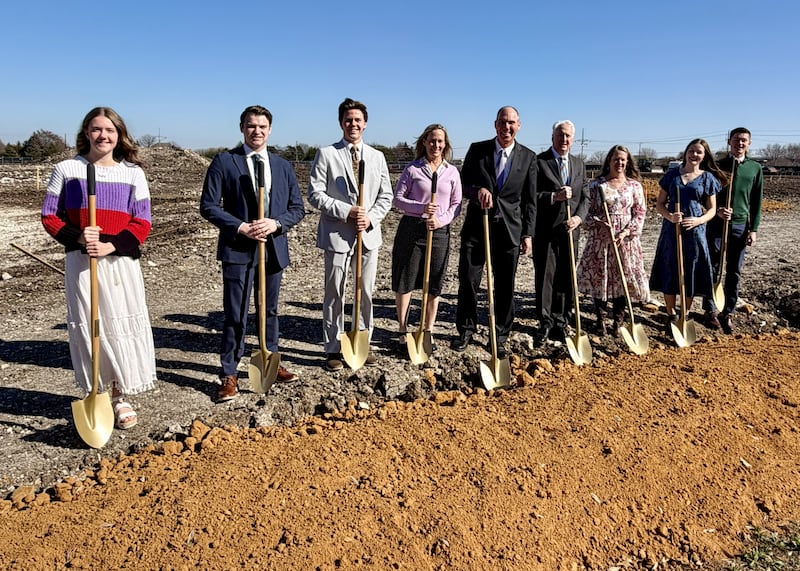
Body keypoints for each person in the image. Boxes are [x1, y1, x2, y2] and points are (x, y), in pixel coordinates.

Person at [41, 106, 156, 430]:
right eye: (96, 129)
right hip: (81, 262)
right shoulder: (66, 170)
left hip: (119, 264)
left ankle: (120, 395)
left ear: (119, 135)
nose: (103, 136)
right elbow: (50, 216)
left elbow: (142, 222)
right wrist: (78, 236)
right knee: (92, 328)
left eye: (109, 130)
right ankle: (97, 389)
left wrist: (111, 244)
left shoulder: (133, 173)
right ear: (86, 133)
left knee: (119, 327)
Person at [200, 105, 305, 401]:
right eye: (250, 126)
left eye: (261, 126)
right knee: (235, 313)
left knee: (269, 310)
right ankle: (230, 372)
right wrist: (242, 227)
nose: (256, 131)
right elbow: (209, 206)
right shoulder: (225, 161)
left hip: (272, 249)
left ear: (270, 130)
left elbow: (297, 209)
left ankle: (271, 358)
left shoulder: (282, 166)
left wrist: (276, 223)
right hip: (238, 249)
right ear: (242, 128)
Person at [308, 98, 393, 371]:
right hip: (337, 234)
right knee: (335, 291)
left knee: (364, 291)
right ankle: (333, 348)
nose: (353, 124)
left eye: (358, 120)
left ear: (365, 123)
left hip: (368, 235)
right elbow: (315, 194)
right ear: (341, 123)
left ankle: (361, 342)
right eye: (348, 119)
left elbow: (386, 196)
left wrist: (370, 217)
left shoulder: (377, 157)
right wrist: (347, 211)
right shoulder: (327, 154)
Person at [452, 106, 537, 356]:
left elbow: (530, 201)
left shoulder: (528, 157)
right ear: (495, 124)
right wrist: (477, 190)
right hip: (477, 229)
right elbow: (462, 185)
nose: (506, 127)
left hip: (509, 231)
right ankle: (466, 330)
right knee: (468, 280)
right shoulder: (477, 150)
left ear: (518, 125)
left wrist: (528, 234)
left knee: (504, 285)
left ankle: (499, 333)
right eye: (502, 122)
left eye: (511, 122)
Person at [392, 124, 462, 350]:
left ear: (445, 145)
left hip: (439, 232)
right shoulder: (413, 169)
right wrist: (422, 208)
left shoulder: (451, 172)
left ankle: (427, 329)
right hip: (412, 230)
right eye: (432, 140)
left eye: (440, 141)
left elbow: (456, 204)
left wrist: (440, 220)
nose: (436, 145)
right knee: (406, 280)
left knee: (433, 284)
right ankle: (403, 329)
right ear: (424, 142)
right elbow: (398, 199)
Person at [650, 138, 723, 332]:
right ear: (685, 152)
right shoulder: (672, 175)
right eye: (691, 151)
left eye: (698, 152)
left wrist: (698, 220)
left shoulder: (707, 178)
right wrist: (670, 216)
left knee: (689, 272)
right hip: (671, 231)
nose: (694, 155)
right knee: (670, 270)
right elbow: (659, 204)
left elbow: (712, 209)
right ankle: (671, 315)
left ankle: (685, 314)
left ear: (704, 155)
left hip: (695, 232)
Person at [577, 145, 650, 336]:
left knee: (622, 280)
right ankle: (600, 320)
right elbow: (586, 214)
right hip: (601, 241)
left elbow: (640, 213)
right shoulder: (596, 186)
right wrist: (598, 223)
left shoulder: (635, 186)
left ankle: (618, 321)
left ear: (627, 162)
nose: (619, 163)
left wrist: (627, 232)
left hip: (625, 242)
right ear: (609, 160)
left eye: (623, 160)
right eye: (616, 159)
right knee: (600, 279)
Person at [534, 120, 590, 345]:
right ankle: (545, 322)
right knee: (546, 277)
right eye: (560, 135)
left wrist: (578, 218)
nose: (564, 140)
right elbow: (531, 196)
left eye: (567, 136)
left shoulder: (579, 164)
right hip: (546, 231)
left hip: (570, 231)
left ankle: (561, 321)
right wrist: (552, 197)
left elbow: (585, 196)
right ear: (552, 137)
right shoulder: (539, 162)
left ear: (573, 139)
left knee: (566, 277)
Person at [702, 127, 763, 333]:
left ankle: (727, 311)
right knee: (713, 267)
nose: (740, 143)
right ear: (729, 141)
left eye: (744, 140)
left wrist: (753, 229)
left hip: (739, 225)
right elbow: (705, 194)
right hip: (717, 224)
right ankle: (710, 310)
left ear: (749, 143)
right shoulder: (718, 166)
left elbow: (756, 201)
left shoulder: (755, 168)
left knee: (734, 270)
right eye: (736, 139)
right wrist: (717, 210)